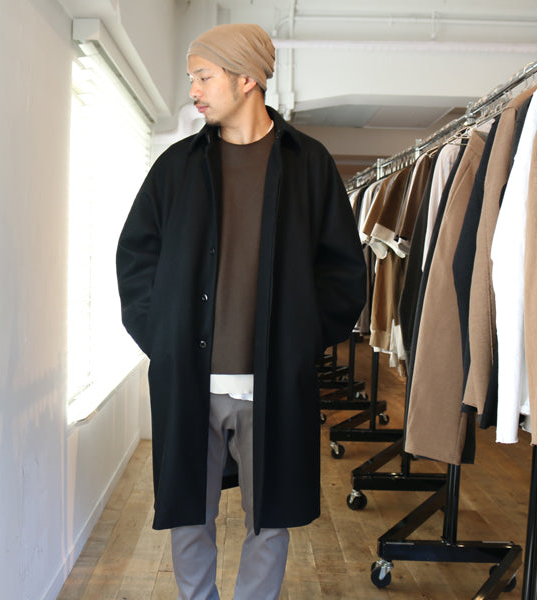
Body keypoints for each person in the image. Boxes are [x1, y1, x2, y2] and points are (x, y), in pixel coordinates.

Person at [116, 23, 366, 600]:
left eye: (203, 77)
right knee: (188, 517)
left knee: (269, 519)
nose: (193, 92)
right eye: (192, 79)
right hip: (190, 381)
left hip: (273, 382)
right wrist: (165, 339)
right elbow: (135, 259)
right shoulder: (176, 167)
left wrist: (299, 339)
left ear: (247, 78)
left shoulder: (309, 165)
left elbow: (344, 272)